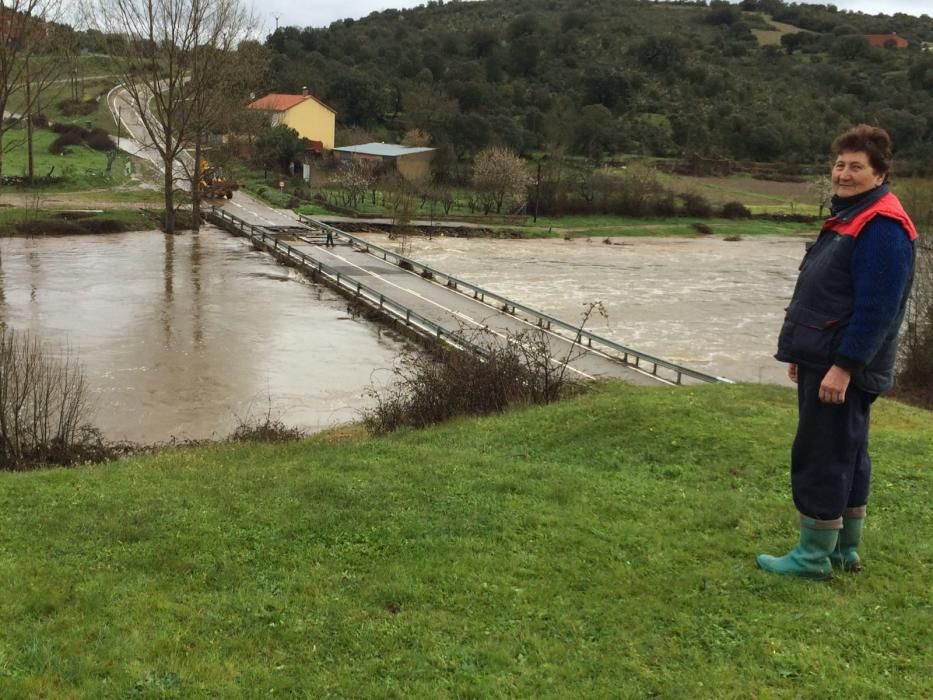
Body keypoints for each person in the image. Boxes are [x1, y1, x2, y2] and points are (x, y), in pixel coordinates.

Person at [757, 125, 918, 580]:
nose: (843, 174)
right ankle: (843, 551)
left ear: (881, 173)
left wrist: (843, 367)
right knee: (847, 451)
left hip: (841, 364)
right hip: (825, 355)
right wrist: (803, 351)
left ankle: (811, 558)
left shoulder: (881, 225)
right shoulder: (855, 215)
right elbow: (828, 295)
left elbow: (876, 309)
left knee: (822, 453)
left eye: (856, 167)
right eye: (839, 164)